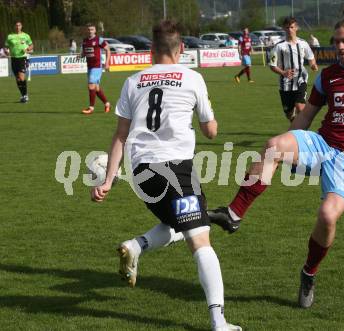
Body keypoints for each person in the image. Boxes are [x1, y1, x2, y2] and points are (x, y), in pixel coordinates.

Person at [208, 6, 344, 309]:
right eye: (336, 41)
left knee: (327, 216)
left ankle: (309, 273)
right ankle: (234, 214)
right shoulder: (328, 76)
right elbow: (305, 117)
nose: (339, 47)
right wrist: (288, 145)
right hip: (322, 144)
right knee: (273, 145)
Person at [90, 20, 241, 331]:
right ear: (181, 49)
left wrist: (107, 180)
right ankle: (218, 320)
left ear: (151, 51)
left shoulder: (133, 82)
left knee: (176, 221)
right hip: (176, 171)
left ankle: (136, 246)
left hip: (142, 172)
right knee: (199, 240)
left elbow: (120, 135)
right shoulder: (192, 78)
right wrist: (210, 125)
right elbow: (210, 130)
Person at [269, 17, 318, 121]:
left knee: (300, 106)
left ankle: (303, 133)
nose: (289, 29)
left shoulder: (303, 43)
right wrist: (283, 72)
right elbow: (272, 66)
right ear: (284, 28)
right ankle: (295, 124)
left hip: (301, 78)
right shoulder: (278, 46)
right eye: (287, 27)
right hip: (285, 83)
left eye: (292, 27)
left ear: (296, 28)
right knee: (289, 113)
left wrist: (313, 65)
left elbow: (311, 58)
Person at [80, 23, 111, 115]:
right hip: (89, 67)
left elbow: (108, 49)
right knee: (96, 88)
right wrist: (80, 55)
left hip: (97, 67)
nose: (90, 31)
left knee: (91, 86)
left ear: (95, 30)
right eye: (89, 29)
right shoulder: (85, 41)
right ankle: (107, 104)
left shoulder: (99, 40)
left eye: (92, 29)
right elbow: (84, 53)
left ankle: (91, 108)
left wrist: (107, 62)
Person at [4, 21, 33, 103]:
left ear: (21, 26)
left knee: (21, 77)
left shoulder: (26, 35)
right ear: (14, 26)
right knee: (18, 79)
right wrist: (6, 51)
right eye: (16, 25)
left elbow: (31, 45)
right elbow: (6, 46)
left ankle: (25, 95)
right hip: (13, 59)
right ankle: (23, 95)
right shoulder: (10, 36)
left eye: (19, 25)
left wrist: (27, 49)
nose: (17, 27)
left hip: (22, 58)